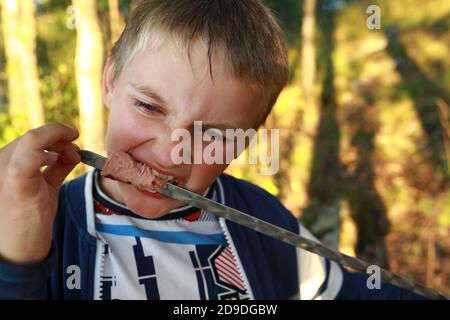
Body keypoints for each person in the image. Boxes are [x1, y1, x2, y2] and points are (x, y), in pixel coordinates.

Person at [0, 0, 423, 300]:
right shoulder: (48, 227)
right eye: (149, 107)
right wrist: (17, 261)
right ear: (110, 78)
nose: (170, 152)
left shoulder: (261, 217)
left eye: (213, 134)